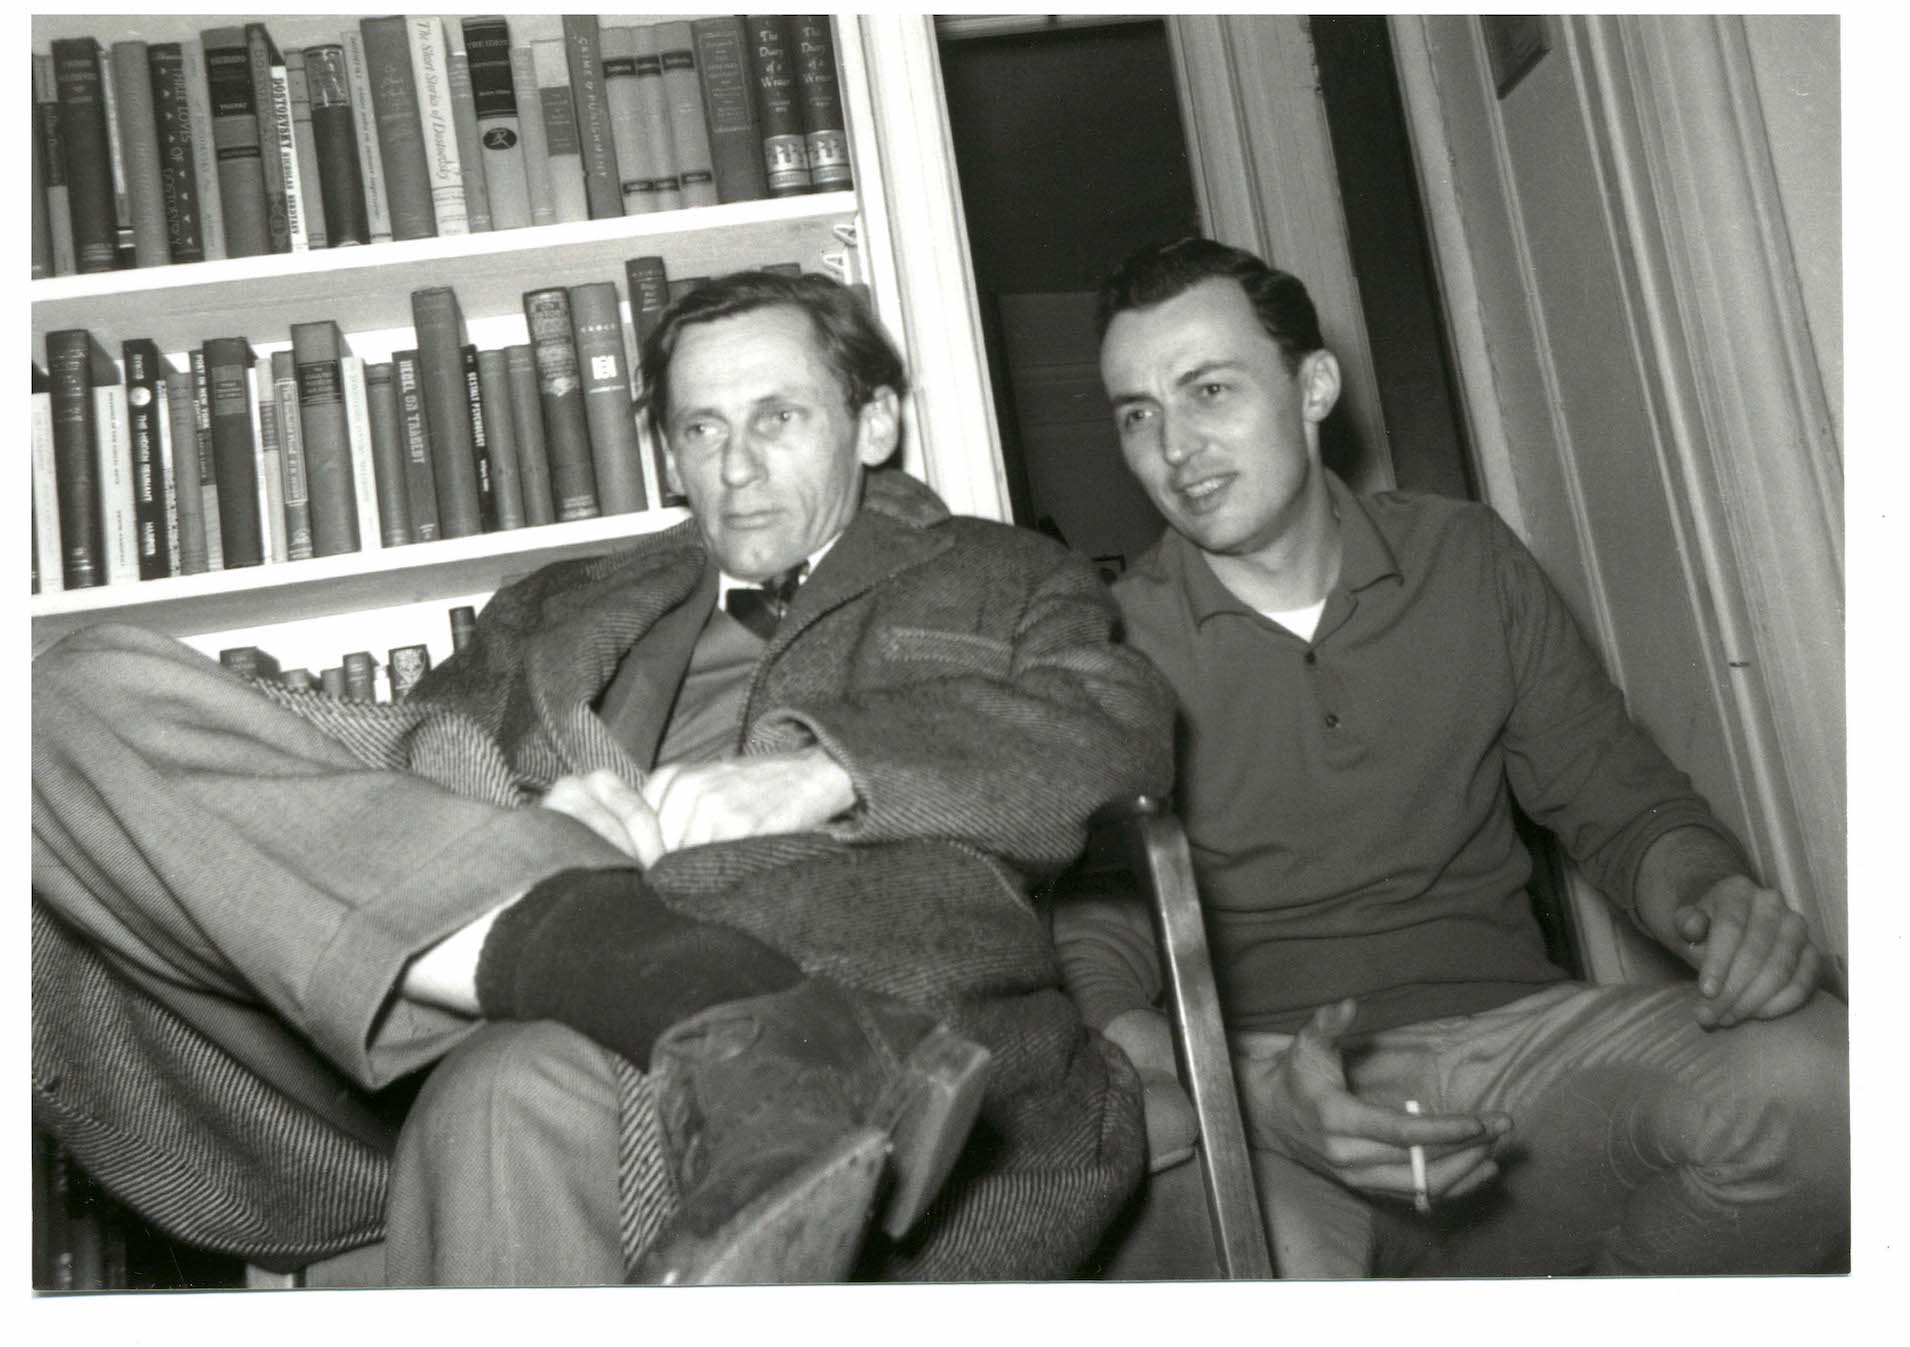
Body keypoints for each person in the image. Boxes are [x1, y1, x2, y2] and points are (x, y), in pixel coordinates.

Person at [32, 270, 1174, 1285]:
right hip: (420, 1003)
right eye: (699, 429)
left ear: (871, 423)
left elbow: (1113, 722)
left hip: (821, 995)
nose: (733, 466)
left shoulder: (995, 574)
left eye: (777, 418)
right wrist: (513, 816)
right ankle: (640, 966)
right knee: (59, 693)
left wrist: (826, 772)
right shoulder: (553, 606)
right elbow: (387, 781)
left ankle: (706, 1008)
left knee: (511, 1086)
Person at [1057, 236, 1848, 1277]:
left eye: (1207, 390)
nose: (1175, 447)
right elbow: (1099, 954)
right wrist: (1241, 1095)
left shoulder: (1464, 558)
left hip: (1515, 1053)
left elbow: (1618, 802)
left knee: (1828, 1087)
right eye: (1136, 414)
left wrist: (1717, 905)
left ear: (1313, 386)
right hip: (1264, 1095)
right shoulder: (1109, 648)